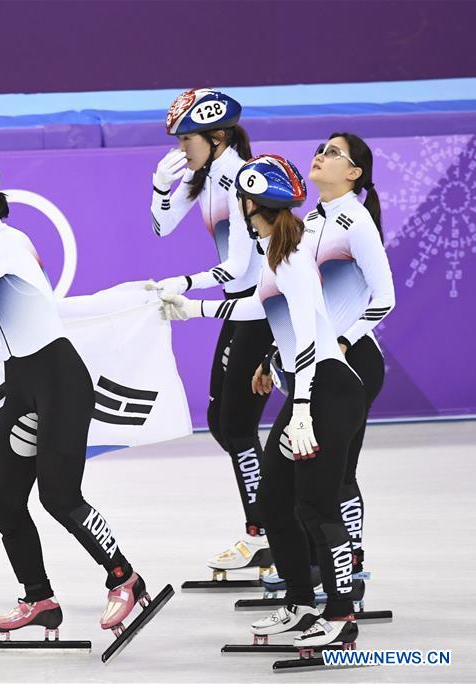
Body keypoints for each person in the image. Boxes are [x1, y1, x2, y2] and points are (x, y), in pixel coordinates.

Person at [0, 153, 152, 638]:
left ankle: (124, 578)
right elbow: (16, 319)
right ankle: (38, 599)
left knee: (59, 496)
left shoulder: (8, 243)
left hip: (60, 382)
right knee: (4, 498)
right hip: (22, 381)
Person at [159, 155, 365, 648]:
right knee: (275, 502)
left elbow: (313, 336)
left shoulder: (291, 259)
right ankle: (299, 603)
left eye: (243, 205)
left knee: (316, 506)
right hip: (310, 392)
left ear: (253, 205)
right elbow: (258, 304)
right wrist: (195, 308)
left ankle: (340, 617)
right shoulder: (280, 251)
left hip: (326, 393)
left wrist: (300, 410)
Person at [254, 133, 393, 573]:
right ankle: (313, 563)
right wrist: (271, 355)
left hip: (352, 362)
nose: (320, 155)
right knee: (305, 470)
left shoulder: (357, 222)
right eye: (320, 148)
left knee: (337, 473)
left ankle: (347, 560)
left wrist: (347, 339)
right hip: (309, 364)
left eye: (333, 153)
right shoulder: (308, 221)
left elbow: (384, 297)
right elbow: (299, 303)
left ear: (353, 173)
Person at [149, 88, 274, 572]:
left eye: (187, 140)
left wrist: (186, 284)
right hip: (239, 308)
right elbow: (161, 226)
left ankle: (264, 533)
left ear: (216, 137)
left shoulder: (243, 178)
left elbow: (241, 267)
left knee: (237, 427)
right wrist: (162, 187)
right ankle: (271, 524)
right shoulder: (208, 175)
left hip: (259, 311)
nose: (182, 149)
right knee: (225, 422)